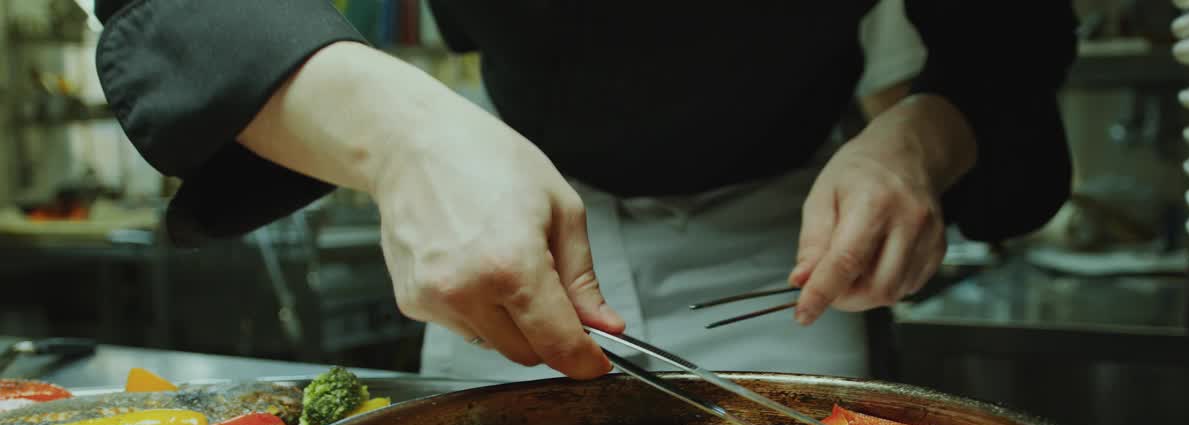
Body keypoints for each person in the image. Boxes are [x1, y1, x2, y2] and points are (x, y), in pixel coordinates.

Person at [93, 1, 1077, 384]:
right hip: (510, 243)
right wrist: (403, 138)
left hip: (792, 261)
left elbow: (1004, 54)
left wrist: (918, 138)